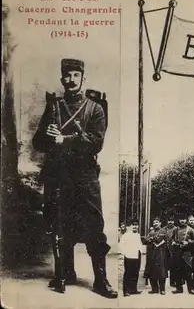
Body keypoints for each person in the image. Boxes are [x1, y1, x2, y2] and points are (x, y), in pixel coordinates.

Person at [33, 58, 117, 298]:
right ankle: (64, 273)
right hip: (58, 175)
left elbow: (96, 143)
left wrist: (64, 140)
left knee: (93, 224)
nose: (71, 80)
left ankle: (101, 280)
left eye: (75, 76)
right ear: (62, 79)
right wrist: (49, 137)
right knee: (59, 222)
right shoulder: (54, 107)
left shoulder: (95, 108)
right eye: (67, 76)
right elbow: (38, 143)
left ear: (83, 78)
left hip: (85, 176)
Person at [171, 213, 194, 294]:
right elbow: (171, 239)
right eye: (181, 219)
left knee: (188, 272)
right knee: (177, 271)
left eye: (183, 219)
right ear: (179, 220)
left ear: (186, 220)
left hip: (186, 253)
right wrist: (173, 243)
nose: (182, 221)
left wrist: (188, 242)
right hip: (178, 252)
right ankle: (179, 288)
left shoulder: (190, 230)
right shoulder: (175, 229)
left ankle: (191, 289)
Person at [144, 217, 168, 294]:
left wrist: (151, 238)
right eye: (154, 223)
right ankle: (154, 289)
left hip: (160, 253)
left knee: (161, 272)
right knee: (152, 271)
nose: (155, 224)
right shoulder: (151, 231)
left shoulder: (163, 230)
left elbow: (159, 239)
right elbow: (145, 240)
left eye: (157, 222)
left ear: (160, 223)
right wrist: (150, 239)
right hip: (151, 253)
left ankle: (162, 289)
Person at [119, 220, 143, 297]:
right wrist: (126, 254)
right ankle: (125, 291)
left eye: (136, 225)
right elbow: (121, 245)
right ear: (130, 226)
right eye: (133, 225)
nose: (135, 226)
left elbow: (139, 245)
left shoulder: (138, 235)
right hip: (129, 256)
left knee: (135, 273)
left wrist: (141, 252)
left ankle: (133, 289)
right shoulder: (126, 235)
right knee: (128, 273)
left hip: (137, 256)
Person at [164, 214, 177, 287]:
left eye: (172, 221)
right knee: (164, 265)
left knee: (173, 266)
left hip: (173, 249)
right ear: (167, 221)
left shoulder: (176, 229)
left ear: (174, 221)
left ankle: (173, 282)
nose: (170, 222)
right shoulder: (164, 229)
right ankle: (163, 282)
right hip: (165, 249)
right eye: (169, 221)